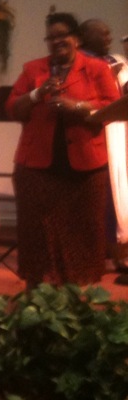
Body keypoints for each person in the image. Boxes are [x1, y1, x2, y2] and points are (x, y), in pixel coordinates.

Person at [5, 12, 119, 288]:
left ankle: (76, 295)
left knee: (82, 234)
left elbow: (114, 107)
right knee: (37, 236)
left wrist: (77, 107)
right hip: (36, 169)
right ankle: (38, 293)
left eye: (62, 35)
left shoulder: (97, 69)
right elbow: (12, 108)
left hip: (84, 170)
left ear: (76, 39)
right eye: (51, 37)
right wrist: (37, 93)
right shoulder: (33, 69)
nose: (56, 41)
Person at [78, 18, 128, 283]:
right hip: (96, 133)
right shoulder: (80, 62)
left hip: (119, 133)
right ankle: (97, 254)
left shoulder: (115, 60)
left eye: (109, 33)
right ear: (86, 35)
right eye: (103, 33)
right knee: (101, 192)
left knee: (118, 192)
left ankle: (118, 251)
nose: (109, 37)